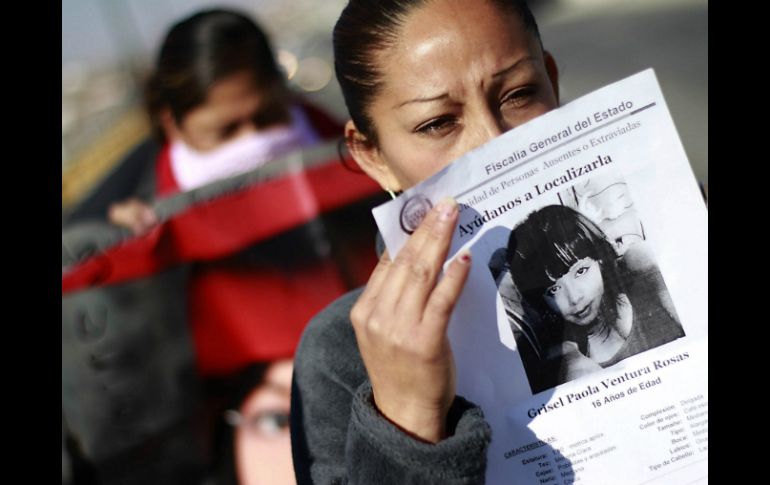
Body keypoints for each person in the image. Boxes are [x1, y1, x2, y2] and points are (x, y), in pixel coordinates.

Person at [290, 0, 562, 483]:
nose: (491, 144)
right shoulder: (340, 352)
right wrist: (405, 415)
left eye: (519, 94)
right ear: (373, 156)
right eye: (438, 123)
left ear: (552, 82)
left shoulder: (685, 228)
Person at [506, 204, 685, 392]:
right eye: (553, 289)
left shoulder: (640, 269)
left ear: (600, 259)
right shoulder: (567, 361)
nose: (574, 297)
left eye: (581, 271)